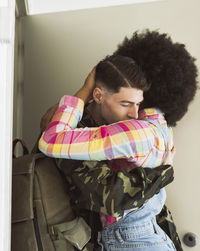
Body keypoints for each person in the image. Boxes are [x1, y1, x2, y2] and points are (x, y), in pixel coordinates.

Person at [39, 30, 198, 250]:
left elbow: (151, 208)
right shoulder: (76, 131)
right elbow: (114, 197)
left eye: (140, 103)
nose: (135, 114)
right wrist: (161, 174)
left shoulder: (143, 126)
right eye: (126, 104)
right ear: (98, 95)